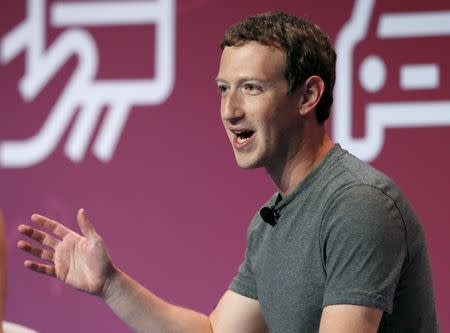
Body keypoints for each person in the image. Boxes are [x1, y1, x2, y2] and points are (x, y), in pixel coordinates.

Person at [17, 11, 438, 333]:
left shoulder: (358, 205)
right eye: (223, 89)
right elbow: (218, 330)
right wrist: (110, 284)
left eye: (251, 88)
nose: (230, 111)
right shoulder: (270, 222)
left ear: (308, 95)